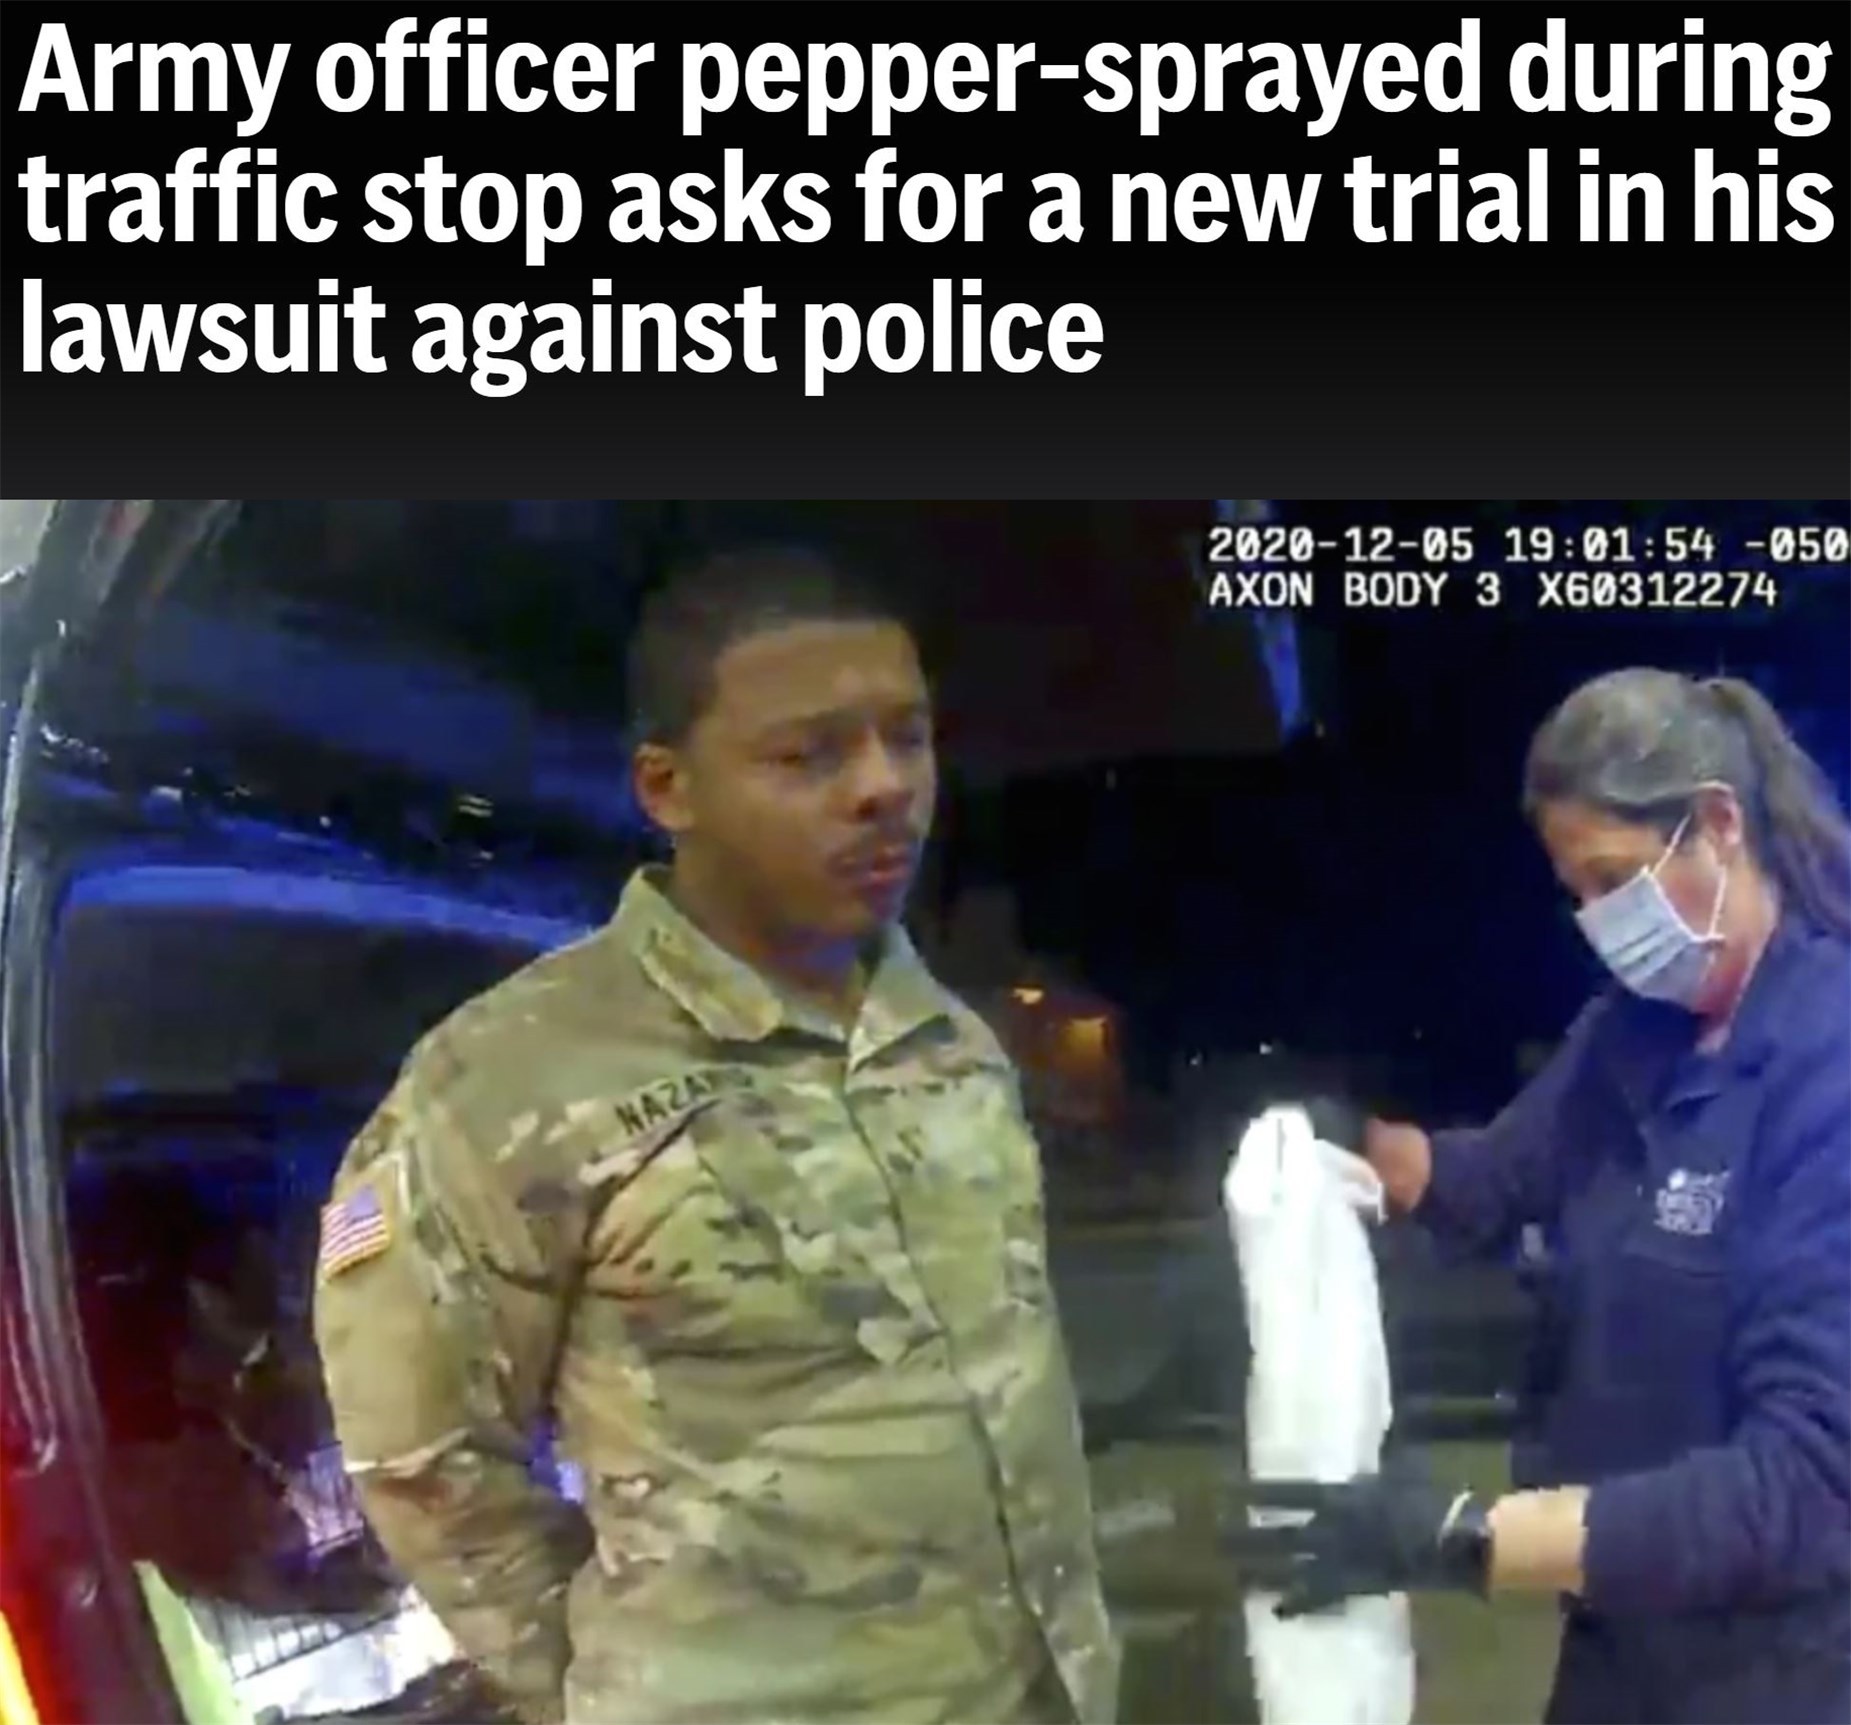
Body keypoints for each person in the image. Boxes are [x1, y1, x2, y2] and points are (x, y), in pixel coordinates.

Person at [313, 548, 1120, 1725]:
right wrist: (606, 1687)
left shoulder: (947, 1040)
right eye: (811, 755)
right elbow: (422, 1460)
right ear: (667, 788)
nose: (884, 786)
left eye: (908, 738)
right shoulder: (505, 1082)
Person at [1230, 668, 1851, 1724]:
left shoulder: (1825, 1066)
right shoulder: (1635, 1032)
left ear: (1716, 825)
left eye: (1613, 879)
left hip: (1777, 1663)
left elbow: (1805, 1485)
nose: (1600, 920)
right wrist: (1360, 1153)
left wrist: (1465, 1535)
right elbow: (1498, 1173)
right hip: (1619, 1635)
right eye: (1577, 892)